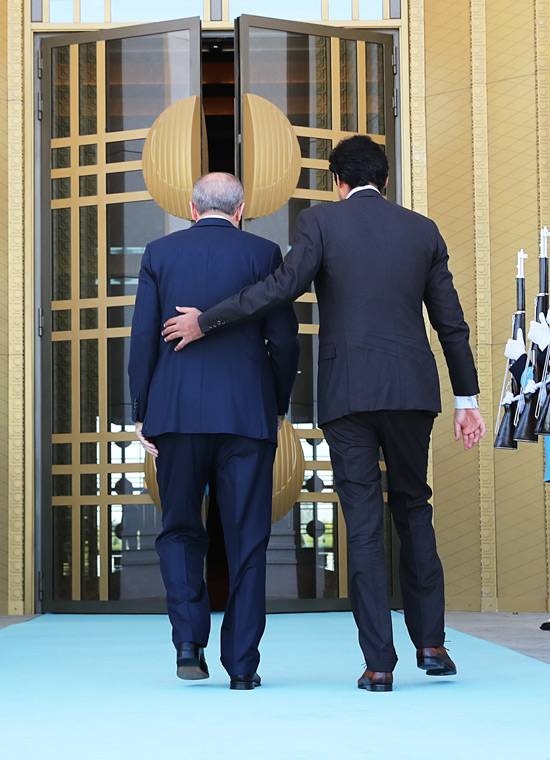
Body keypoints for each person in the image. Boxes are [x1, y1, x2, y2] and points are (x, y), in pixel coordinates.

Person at [160, 136, 486, 692]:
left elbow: (280, 289)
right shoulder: (422, 230)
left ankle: (379, 665)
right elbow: (450, 323)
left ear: (337, 181)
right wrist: (466, 400)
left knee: (361, 521)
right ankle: (432, 644)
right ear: (384, 179)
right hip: (411, 390)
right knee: (413, 508)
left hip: (348, 394)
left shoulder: (321, 224)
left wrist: (206, 321)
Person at [128, 173, 299, 690]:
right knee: (248, 538)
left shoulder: (160, 254)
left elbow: (143, 340)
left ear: (190, 206)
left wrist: (142, 410)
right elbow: (284, 342)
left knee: (180, 528)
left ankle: (188, 644)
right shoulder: (264, 253)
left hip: (176, 416)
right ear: (242, 208)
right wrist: (276, 405)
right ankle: (243, 668)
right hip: (246, 416)